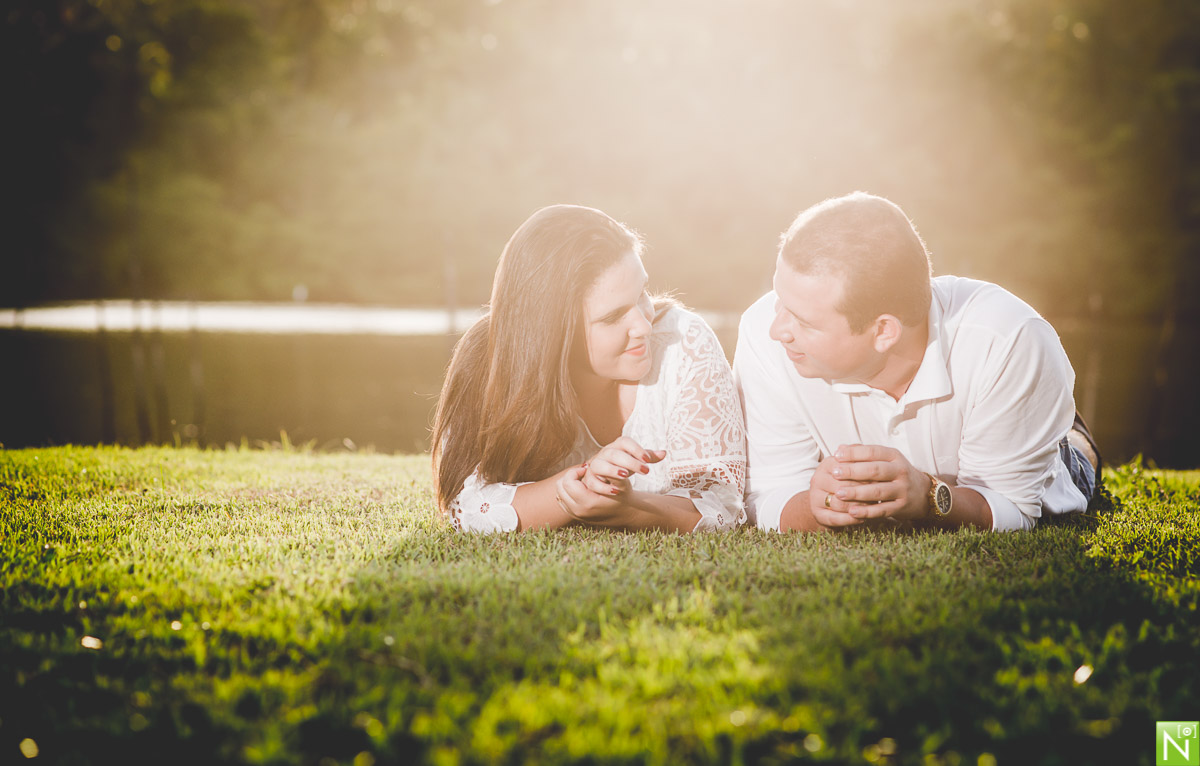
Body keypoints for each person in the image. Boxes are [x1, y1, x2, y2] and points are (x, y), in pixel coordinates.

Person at [733, 192, 1100, 533]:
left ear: (884, 332)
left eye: (804, 321)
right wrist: (816, 508)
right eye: (780, 299)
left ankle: (1073, 437)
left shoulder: (1008, 342)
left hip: (1029, 454)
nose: (776, 328)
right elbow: (768, 495)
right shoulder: (763, 332)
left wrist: (926, 496)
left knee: (1069, 461)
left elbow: (1016, 508)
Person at [432, 204, 746, 533]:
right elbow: (462, 506)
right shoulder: (487, 358)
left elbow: (723, 505)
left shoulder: (683, 342)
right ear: (550, 332)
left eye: (642, 294)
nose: (643, 325)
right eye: (612, 317)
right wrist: (576, 489)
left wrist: (630, 509)